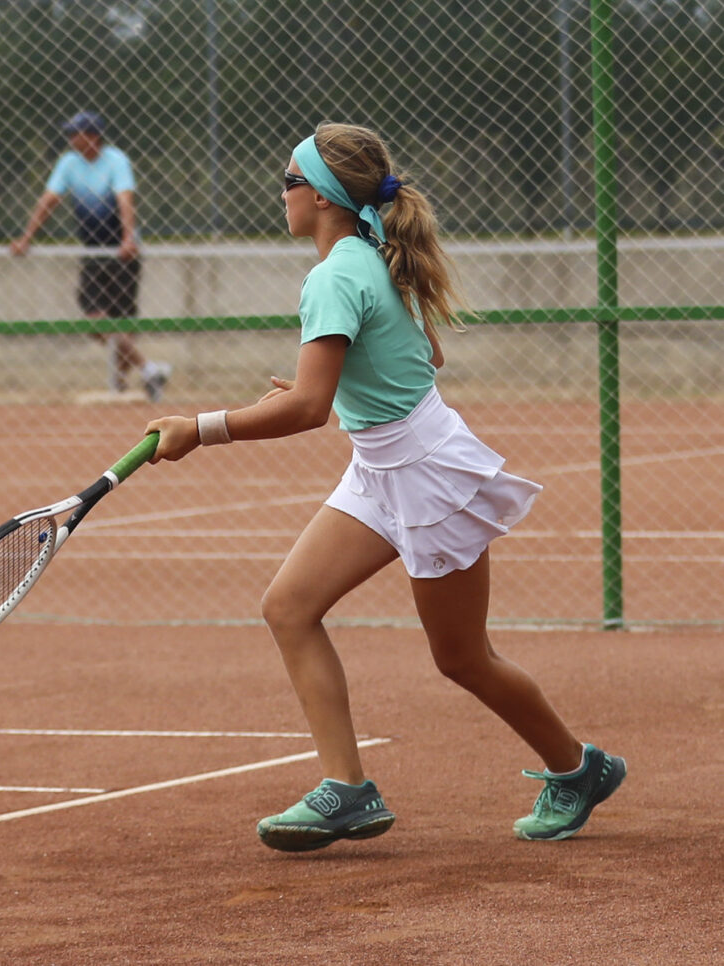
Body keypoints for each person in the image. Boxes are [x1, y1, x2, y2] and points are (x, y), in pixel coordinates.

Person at [144, 122, 626, 852]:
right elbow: (420, 355)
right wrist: (346, 394)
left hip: (426, 472)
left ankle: (579, 769)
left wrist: (199, 428)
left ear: (318, 196)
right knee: (289, 606)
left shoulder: (336, 272)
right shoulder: (368, 256)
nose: (281, 193)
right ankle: (347, 791)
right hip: (378, 466)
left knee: (461, 657)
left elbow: (306, 408)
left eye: (288, 179)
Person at [11, 110, 171, 401]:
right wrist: (26, 237)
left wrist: (127, 239)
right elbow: (49, 200)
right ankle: (150, 369)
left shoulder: (116, 160)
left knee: (123, 321)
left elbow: (125, 199)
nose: (71, 138)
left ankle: (121, 385)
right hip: (93, 252)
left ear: (94, 136)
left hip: (122, 253)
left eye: (77, 133)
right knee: (95, 320)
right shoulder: (69, 163)